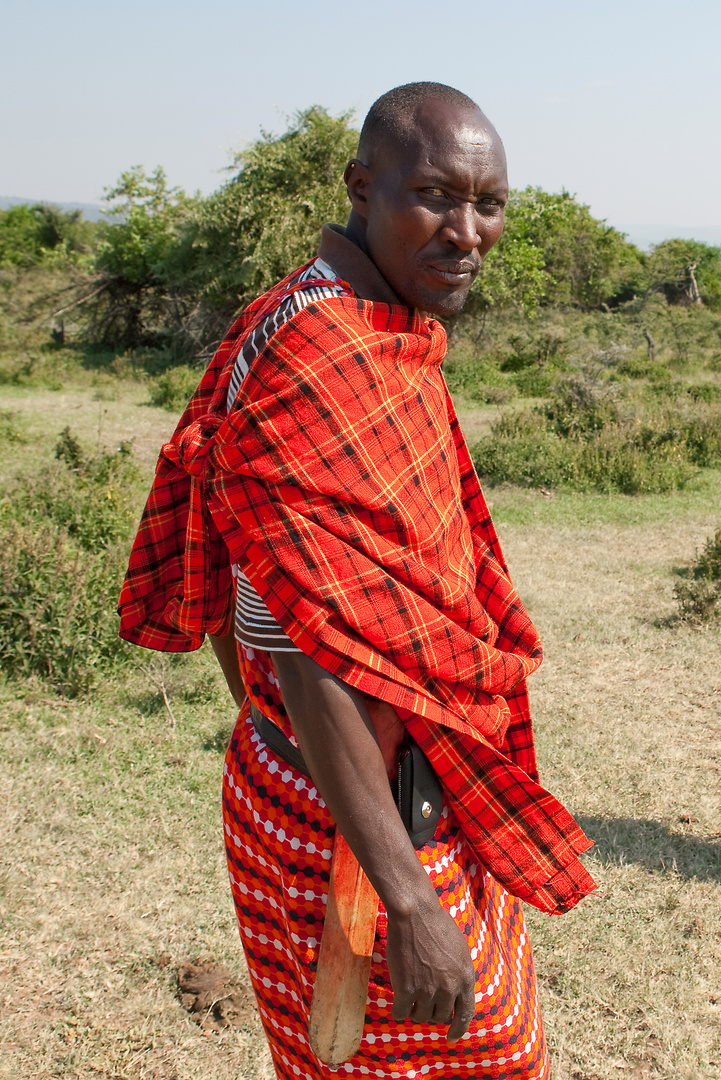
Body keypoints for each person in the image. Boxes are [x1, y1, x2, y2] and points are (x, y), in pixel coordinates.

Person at [117, 82, 592, 1078]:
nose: (468, 232)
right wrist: (405, 895)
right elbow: (296, 642)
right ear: (361, 187)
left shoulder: (357, 325)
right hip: (353, 832)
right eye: (433, 195)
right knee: (478, 1055)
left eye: (489, 204)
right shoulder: (315, 355)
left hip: (368, 793)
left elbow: (256, 595)